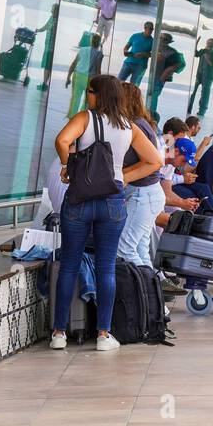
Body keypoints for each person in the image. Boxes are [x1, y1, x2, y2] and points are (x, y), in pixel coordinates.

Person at [50, 75, 161, 352]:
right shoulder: (129, 126)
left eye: (89, 91)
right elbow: (155, 161)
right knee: (106, 266)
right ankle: (103, 334)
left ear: (98, 95)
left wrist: (68, 166)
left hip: (79, 199)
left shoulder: (85, 118)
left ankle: (59, 333)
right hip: (112, 202)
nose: (87, 96)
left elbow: (62, 140)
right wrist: (123, 177)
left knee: (69, 266)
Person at [117, 82, 167, 273]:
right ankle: (155, 292)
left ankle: (148, 291)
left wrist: (124, 176)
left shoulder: (136, 126)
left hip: (142, 196)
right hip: (147, 195)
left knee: (124, 249)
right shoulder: (141, 123)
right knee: (139, 249)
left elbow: (152, 161)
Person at [66, 33, 103, 116]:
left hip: (78, 75)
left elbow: (74, 63)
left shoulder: (82, 49)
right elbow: (98, 70)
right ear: (99, 43)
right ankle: (81, 118)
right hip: (89, 79)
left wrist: (68, 77)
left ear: (91, 41)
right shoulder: (99, 54)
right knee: (87, 100)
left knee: (75, 98)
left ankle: (71, 117)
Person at [149, 33, 185, 111]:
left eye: (164, 39)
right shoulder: (155, 47)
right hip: (152, 75)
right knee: (150, 95)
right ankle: (148, 113)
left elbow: (179, 64)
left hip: (160, 77)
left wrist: (167, 72)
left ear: (168, 41)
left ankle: (151, 114)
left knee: (154, 96)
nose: (161, 40)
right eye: (160, 38)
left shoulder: (172, 52)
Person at [191, 38, 213, 118]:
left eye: (211, 43)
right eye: (208, 42)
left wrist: (206, 57)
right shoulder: (203, 50)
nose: (208, 43)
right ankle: (189, 108)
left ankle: (202, 111)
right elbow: (196, 54)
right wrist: (196, 44)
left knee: (205, 94)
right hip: (200, 74)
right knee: (194, 91)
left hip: (208, 76)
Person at [35, 3, 59, 90]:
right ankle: (45, 83)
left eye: (53, 9)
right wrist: (39, 30)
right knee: (47, 66)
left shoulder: (56, 20)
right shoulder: (52, 18)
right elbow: (46, 26)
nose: (51, 11)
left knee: (47, 66)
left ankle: (44, 83)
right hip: (48, 46)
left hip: (51, 48)